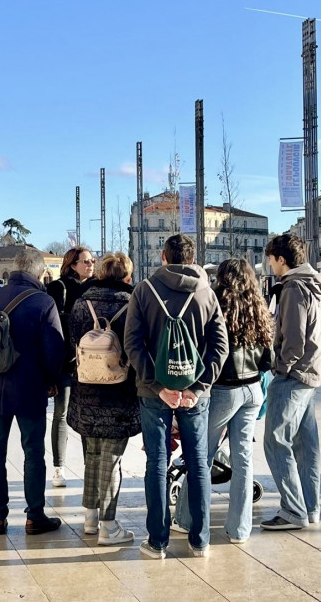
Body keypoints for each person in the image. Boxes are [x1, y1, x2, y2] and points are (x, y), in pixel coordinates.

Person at [125, 234, 228, 559]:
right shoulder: (206, 293)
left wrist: (159, 386)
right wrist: (197, 388)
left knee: (157, 462)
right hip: (195, 393)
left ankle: (157, 542)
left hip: (153, 393)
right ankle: (200, 541)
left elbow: (132, 344)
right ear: (193, 257)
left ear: (163, 257)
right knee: (198, 463)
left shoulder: (144, 290)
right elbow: (220, 347)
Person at [174, 259, 273, 543]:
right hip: (253, 389)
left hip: (222, 389)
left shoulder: (215, 303)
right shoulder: (258, 306)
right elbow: (269, 358)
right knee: (243, 459)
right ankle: (239, 529)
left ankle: (185, 518)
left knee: (201, 454)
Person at [0, 249, 65, 536]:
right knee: (33, 452)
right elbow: (54, 347)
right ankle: (34, 515)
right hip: (31, 386)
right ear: (40, 273)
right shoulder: (43, 301)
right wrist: (53, 379)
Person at [67, 252, 140, 545]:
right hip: (119, 392)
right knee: (111, 459)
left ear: (98, 273)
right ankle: (109, 527)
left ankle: (89, 518)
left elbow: (72, 339)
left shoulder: (81, 303)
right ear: (127, 277)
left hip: (86, 390)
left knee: (92, 456)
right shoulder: (133, 303)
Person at [262, 234, 321, 531]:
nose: (269, 264)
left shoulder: (293, 288)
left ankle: (292, 510)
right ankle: (310, 507)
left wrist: (279, 368)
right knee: (305, 444)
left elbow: (294, 339)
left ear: (281, 259)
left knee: (275, 441)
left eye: (271, 259)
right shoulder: (312, 285)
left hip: (294, 375)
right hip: (310, 373)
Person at [46, 247, 96, 488]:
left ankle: (90, 466)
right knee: (62, 413)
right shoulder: (58, 288)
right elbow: (51, 328)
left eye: (93, 260)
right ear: (72, 264)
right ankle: (58, 467)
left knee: (86, 414)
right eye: (86, 261)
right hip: (67, 362)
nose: (91, 264)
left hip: (92, 361)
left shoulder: (96, 287)